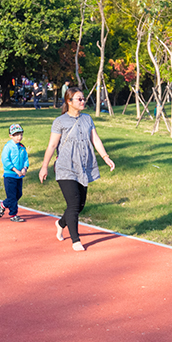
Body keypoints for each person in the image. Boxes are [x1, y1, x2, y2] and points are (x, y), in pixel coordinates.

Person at [38, 86, 115, 252]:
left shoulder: (87, 119)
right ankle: (76, 240)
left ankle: (61, 223)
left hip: (83, 167)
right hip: (65, 167)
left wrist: (105, 157)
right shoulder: (60, 122)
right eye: (79, 99)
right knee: (73, 203)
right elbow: (52, 145)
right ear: (69, 101)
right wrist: (44, 166)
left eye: (83, 98)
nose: (83, 101)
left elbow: (95, 139)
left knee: (80, 204)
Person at [0, 123, 29, 223]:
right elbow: (5, 160)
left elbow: (26, 159)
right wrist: (15, 170)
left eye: (20, 134)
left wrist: (24, 168)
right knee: (12, 197)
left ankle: (3, 204)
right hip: (10, 175)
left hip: (19, 177)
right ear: (11, 136)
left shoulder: (22, 147)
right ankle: (13, 214)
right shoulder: (8, 147)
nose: (19, 137)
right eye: (16, 135)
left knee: (18, 194)